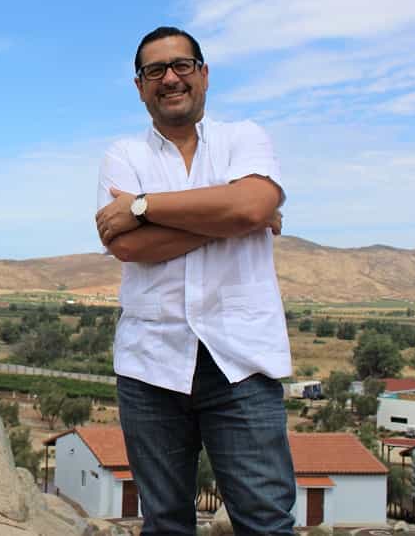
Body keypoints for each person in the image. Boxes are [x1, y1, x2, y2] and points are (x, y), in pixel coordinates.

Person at [94, 26, 295, 535]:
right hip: (151, 363)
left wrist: (143, 207)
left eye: (181, 65)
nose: (170, 78)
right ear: (139, 86)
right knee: (164, 523)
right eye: (154, 70)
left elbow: (251, 204)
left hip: (240, 361)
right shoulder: (123, 155)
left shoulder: (243, 137)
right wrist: (233, 220)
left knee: (265, 522)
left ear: (203, 74)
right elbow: (127, 246)